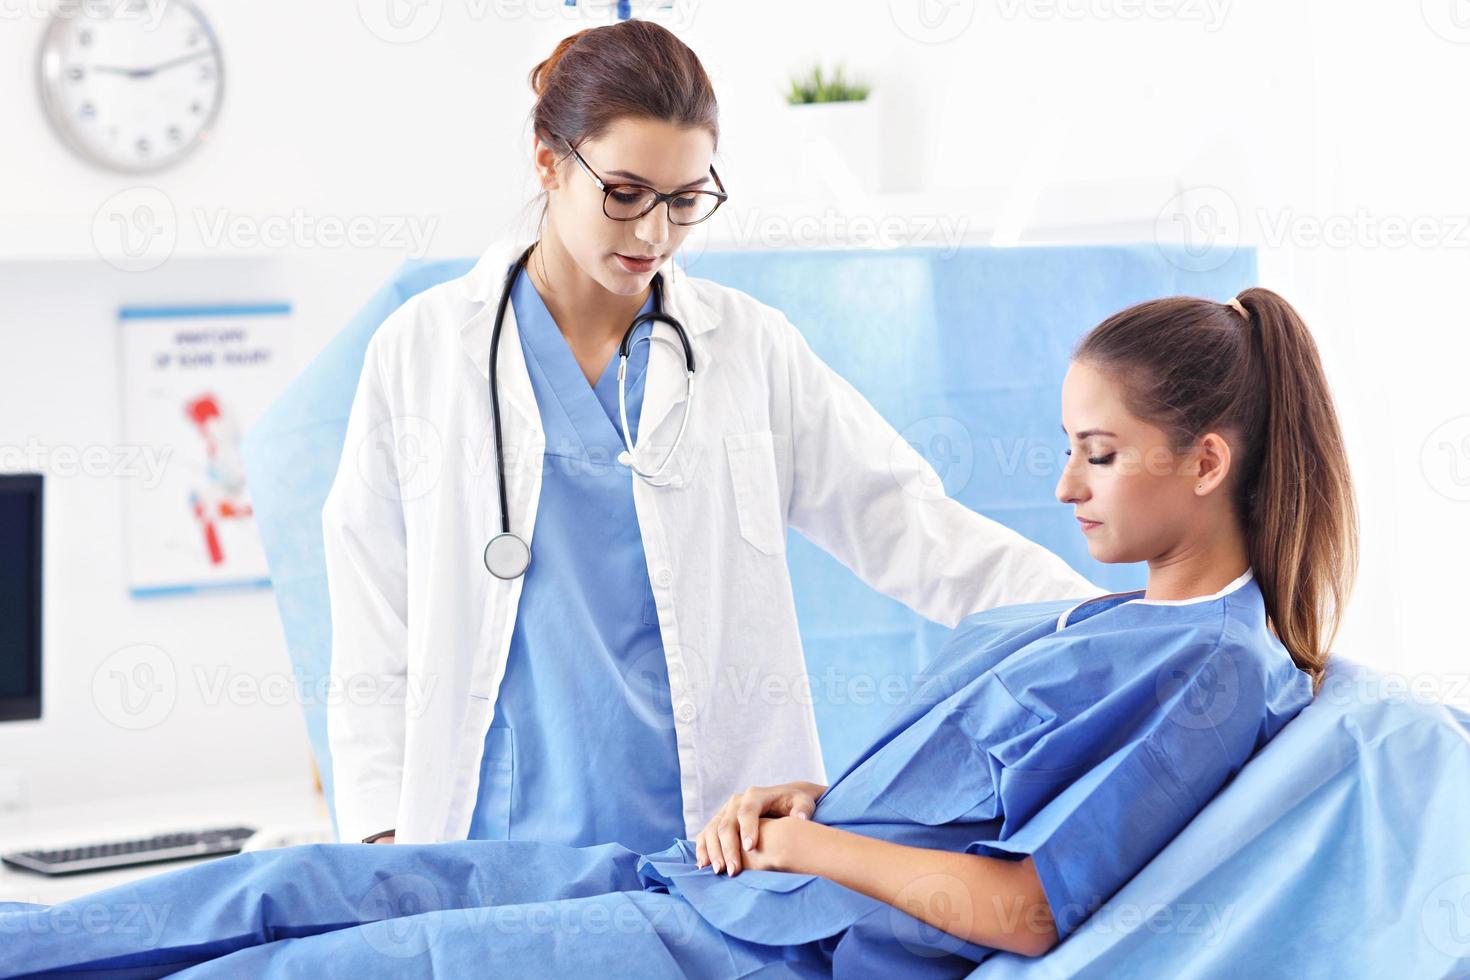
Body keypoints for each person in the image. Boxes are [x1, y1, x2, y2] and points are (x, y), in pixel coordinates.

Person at [0, 287, 1357, 977]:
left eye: (1096, 454)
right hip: (689, 878)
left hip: (762, 946)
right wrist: (813, 802)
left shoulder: (1209, 673)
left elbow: (1021, 904)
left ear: (1205, 461)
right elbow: (965, 815)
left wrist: (812, 844)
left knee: (307, 971)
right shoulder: (1095, 626)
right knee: (281, 889)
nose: (1063, 487)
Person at [322, 19, 1095, 852]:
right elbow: (373, 603)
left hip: (712, 839)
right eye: (624, 194)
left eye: (686, 201)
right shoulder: (426, 349)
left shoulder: (748, 349)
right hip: (487, 835)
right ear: (549, 162)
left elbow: (908, 523)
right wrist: (381, 838)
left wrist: (1114, 627)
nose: (655, 234)